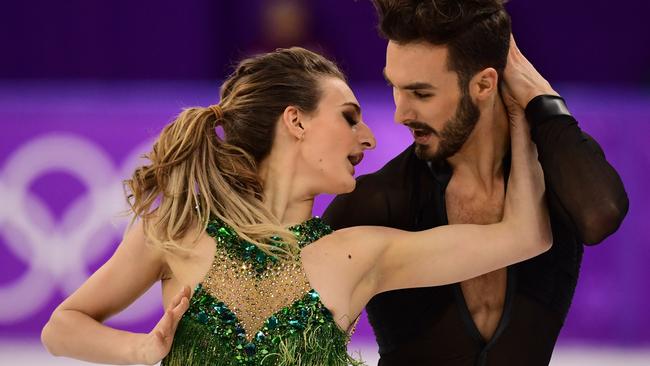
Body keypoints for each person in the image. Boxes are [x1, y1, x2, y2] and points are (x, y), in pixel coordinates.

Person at [41, 47, 550, 366]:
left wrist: (525, 107)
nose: (370, 137)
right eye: (350, 118)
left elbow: (527, 234)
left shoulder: (359, 254)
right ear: (296, 121)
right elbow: (62, 327)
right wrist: (141, 351)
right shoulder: (176, 231)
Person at [322, 1, 629, 365]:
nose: (401, 113)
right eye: (396, 88)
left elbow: (601, 214)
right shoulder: (377, 202)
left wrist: (539, 97)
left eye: (421, 94)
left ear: (484, 84)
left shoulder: (560, 175)